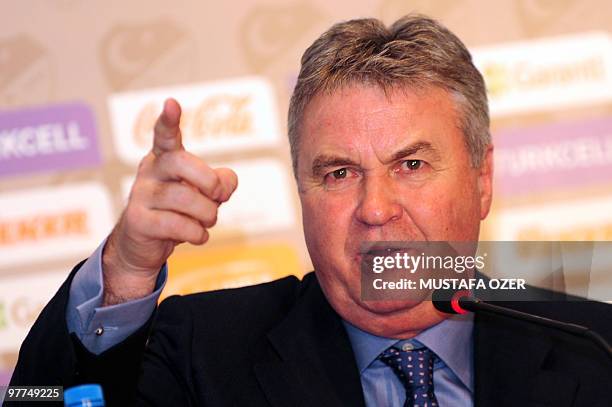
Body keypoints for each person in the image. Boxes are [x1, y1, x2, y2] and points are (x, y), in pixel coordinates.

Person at [7, 14, 611, 407]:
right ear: (301, 192)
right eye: (339, 173)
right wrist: (126, 270)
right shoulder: (202, 350)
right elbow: (37, 401)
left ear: (482, 179)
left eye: (411, 165)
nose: (375, 209)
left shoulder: (591, 337)